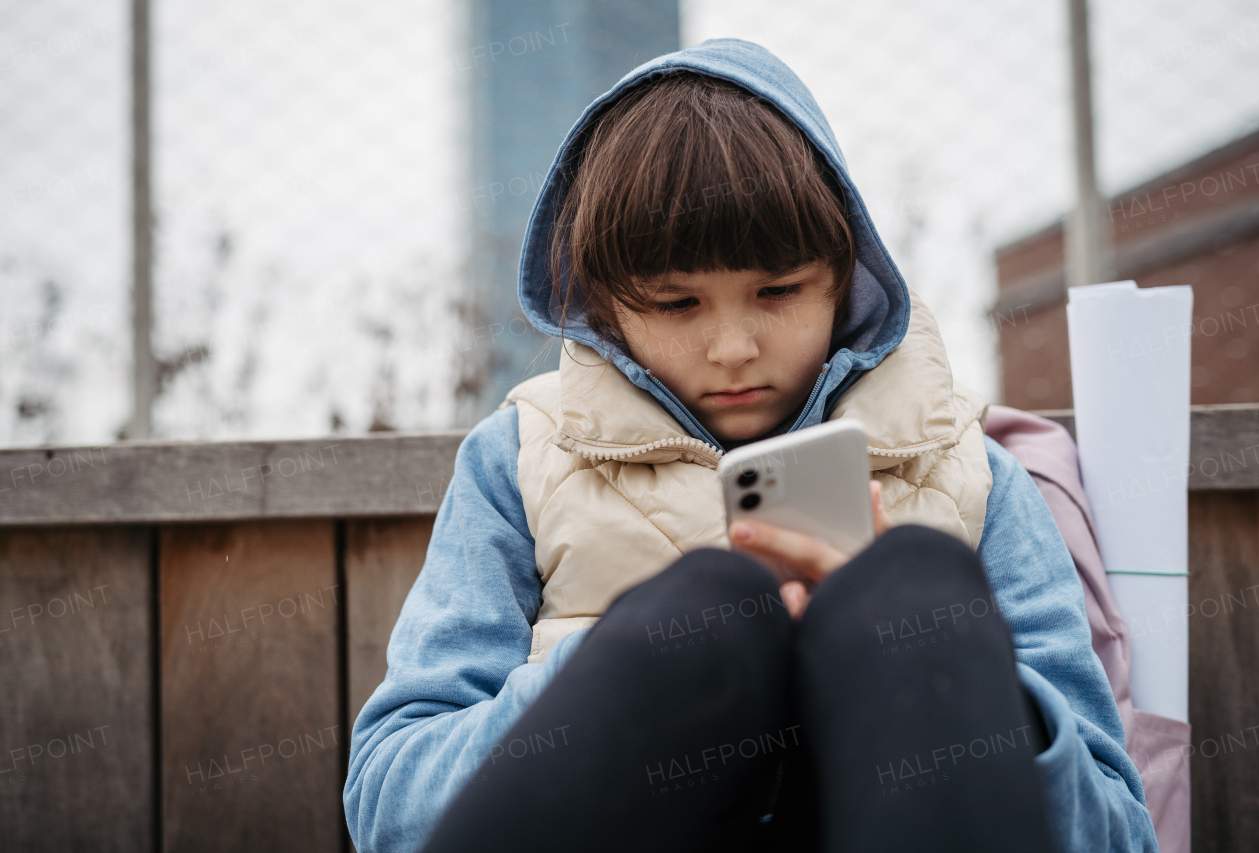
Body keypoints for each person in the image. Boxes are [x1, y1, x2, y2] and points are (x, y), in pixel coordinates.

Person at [344, 39, 1158, 853]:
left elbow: (1119, 830)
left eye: (777, 291)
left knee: (909, 588)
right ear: (606, 303)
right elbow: (389, 803)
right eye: (675, 302)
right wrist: (619, 665)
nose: (732, 346)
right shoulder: (516, 461)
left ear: (848, 275)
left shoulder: (974, 472)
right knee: (705, 612)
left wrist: (935, 669)